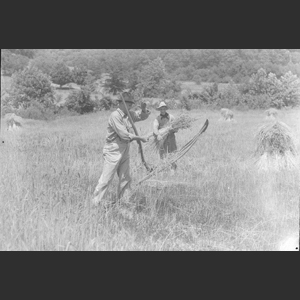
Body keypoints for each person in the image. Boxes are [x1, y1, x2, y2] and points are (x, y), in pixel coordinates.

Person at [92, 92, 151, 208]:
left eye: (131, 104)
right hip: (113, 149)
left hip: (124, 148)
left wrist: (144, 110)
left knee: (125, 177)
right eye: (128, 104)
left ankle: (124, 202)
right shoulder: (115, 116)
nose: (130, 106)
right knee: (107, 178)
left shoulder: (128, 114)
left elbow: (141, 117)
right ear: (120, 104)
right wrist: (140, 138)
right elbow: (124, 135)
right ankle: (95, 203)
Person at [153, 101, 178, 171]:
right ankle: (164, 169)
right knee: (162, 154)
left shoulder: (171, 117)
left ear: (166, 109)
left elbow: (176, 127)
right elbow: (155, 128)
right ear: (159, 110)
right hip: (162, 139)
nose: (163, 110)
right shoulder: (157, 119)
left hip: (171, 138)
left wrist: (174, 129)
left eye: (164, 109)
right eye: (161, 109)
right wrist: (158, 135)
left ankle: (173, 169)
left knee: (172, 153)